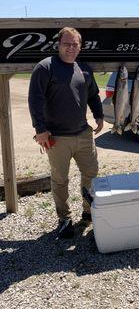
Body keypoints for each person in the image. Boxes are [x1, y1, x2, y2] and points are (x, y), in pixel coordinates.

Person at [28, 27, 104, 238]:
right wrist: (40, 130)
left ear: (80, 46)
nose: (71, 48)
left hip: (83, 134)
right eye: (66, 44)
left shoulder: (85, 68)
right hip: (56, 137)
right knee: (60, 179)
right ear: (58, 45)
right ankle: (64, 218)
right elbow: (35, 99)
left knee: (91, 174)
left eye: (75, 44)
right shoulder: (46, 67)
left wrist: (98, 115)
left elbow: (94, 96)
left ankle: (88, 212)